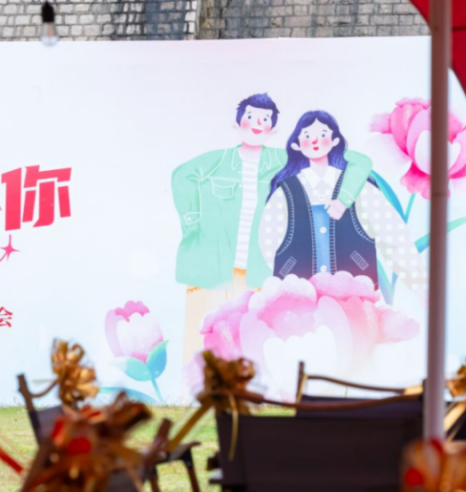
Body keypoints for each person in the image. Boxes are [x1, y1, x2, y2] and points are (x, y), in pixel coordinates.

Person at [259, 110, 429, 299]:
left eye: (323, 134)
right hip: (300, 301)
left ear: (334, 141)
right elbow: (269, 241)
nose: (315, 140)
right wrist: (288, 273)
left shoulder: (359, 188)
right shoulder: (285, 191)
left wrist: (421, 286)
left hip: (354, 297)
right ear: (296, 144)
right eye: (307, 135)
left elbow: (393, 236)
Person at [171, 93, 286, 362]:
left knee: (254, 339)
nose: (257, 124)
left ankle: (252, 383)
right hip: (214, 268)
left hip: (260, 269)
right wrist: (192, 219)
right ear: (237, 124)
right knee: (202, 336)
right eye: (250, 117)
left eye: (265, 119)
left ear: (273, 130)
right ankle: (197, 383)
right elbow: (181, 176)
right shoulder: (218, 161)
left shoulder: (281, 161)